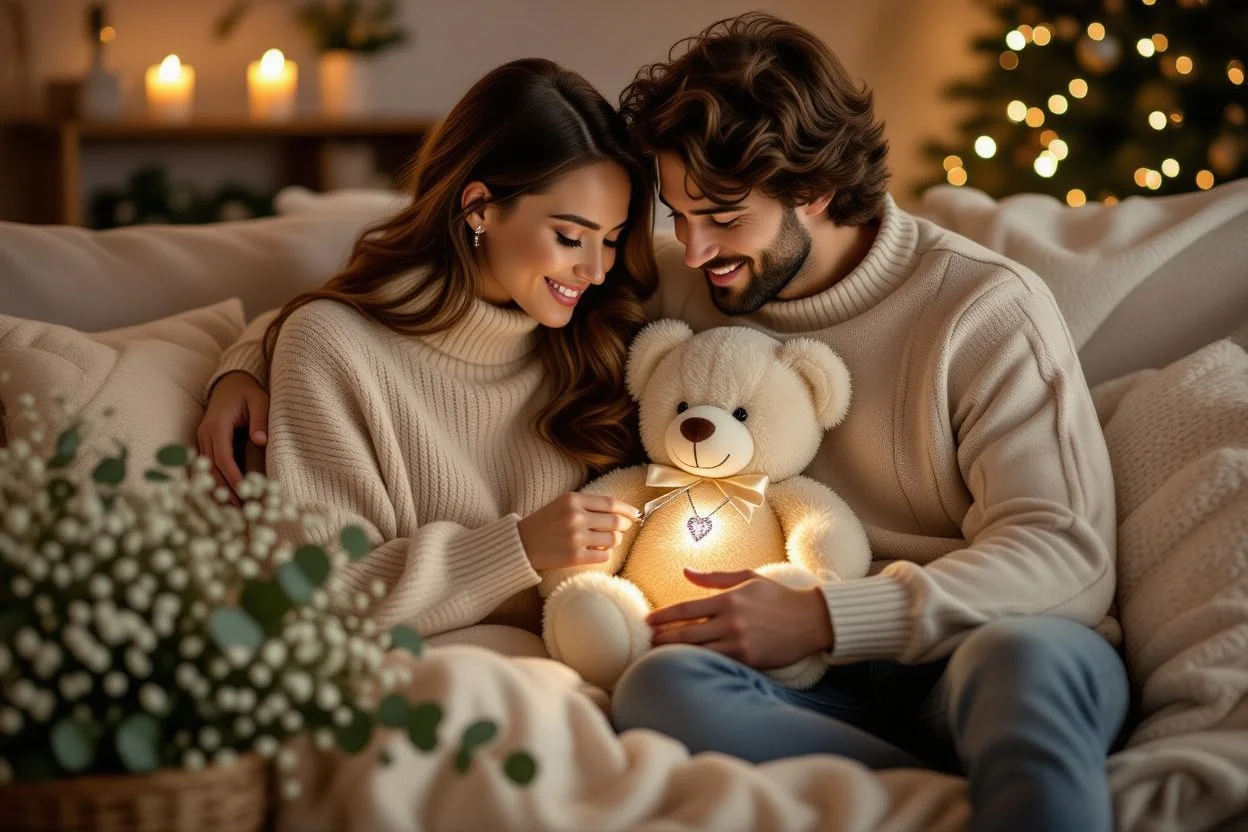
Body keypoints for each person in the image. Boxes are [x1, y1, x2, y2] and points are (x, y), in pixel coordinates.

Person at [203, 16, 1129, 832]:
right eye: (677, 216)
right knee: (659, 686)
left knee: (1025, 663)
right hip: (801, 685)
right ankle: (945, 800)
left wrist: (828, 616)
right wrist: (252, 359)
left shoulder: (983, 309)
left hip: (978, 642)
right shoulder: (691, 279)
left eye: (721, 218)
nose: (689, 251)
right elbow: (433, 291)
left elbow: (1066, 555)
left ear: (813, 190)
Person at [197, 58, 656, 640]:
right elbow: (326, 591)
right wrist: (514, 548)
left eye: (611, 240)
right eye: (569, 237)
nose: (595, 270)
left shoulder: (596, 337)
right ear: (479, 209)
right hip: (415, 676)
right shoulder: (334, 348)